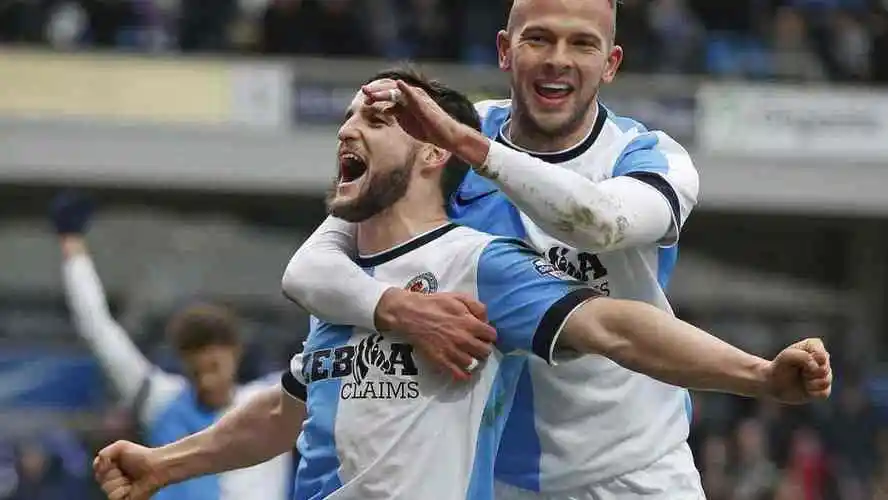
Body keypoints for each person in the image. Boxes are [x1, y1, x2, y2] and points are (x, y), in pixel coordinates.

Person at [92, 69, 832, 500]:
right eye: (347, 116)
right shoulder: (339, 285)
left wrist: (760, 375)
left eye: (377, 119)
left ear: (429, 154)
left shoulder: (477, 264)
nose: (348, 129)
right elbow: (285, 413)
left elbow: (616, 327)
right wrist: (163, 463)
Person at [283, 0, 709, 497]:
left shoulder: (649, 155)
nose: (558, 59)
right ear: (505, 51)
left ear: (610, 64)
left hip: (634, 469)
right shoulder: (443, 137)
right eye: (539, 39)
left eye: (582, 43)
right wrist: (397, 307)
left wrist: (474, 150)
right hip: (493, 473)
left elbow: (601, 223)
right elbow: (310, 268)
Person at [49, 193, 293, 500]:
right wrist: (72, 244)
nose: (207, 381)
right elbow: (97, 328)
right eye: (196, 371)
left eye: (214, 367)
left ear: (236, 353)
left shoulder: (273, 405)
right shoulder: (160, 401)